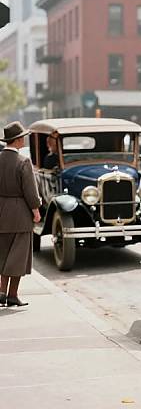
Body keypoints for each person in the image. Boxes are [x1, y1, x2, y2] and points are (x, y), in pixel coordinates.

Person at [0, 121, 41, 307]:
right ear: (17, 140)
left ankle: (1, 293)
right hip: (19, 214)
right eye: (22, 137)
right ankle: (12, 295)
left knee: (2, 254)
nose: (24, 139)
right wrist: (36, 211)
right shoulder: (23, 162)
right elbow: (30, 192)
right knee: (18, 257)